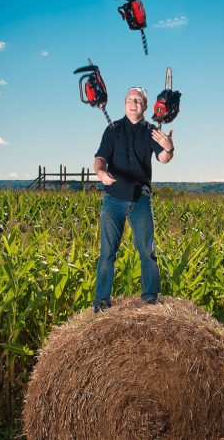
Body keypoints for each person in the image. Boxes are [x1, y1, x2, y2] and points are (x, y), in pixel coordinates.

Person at [93, 87, 174, 313]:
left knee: (147, 251)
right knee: (107, 253)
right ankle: (101, 302)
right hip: (113, 199)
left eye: (138, 100)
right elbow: (100, 158)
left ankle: (150, 299)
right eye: (129, 99)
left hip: (140, 199)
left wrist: (169, 148)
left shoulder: (152, 131)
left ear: (145, 106)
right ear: (124, 104)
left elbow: (163, 158)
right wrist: (101, 173)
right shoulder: (112, 129)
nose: (133, 102)